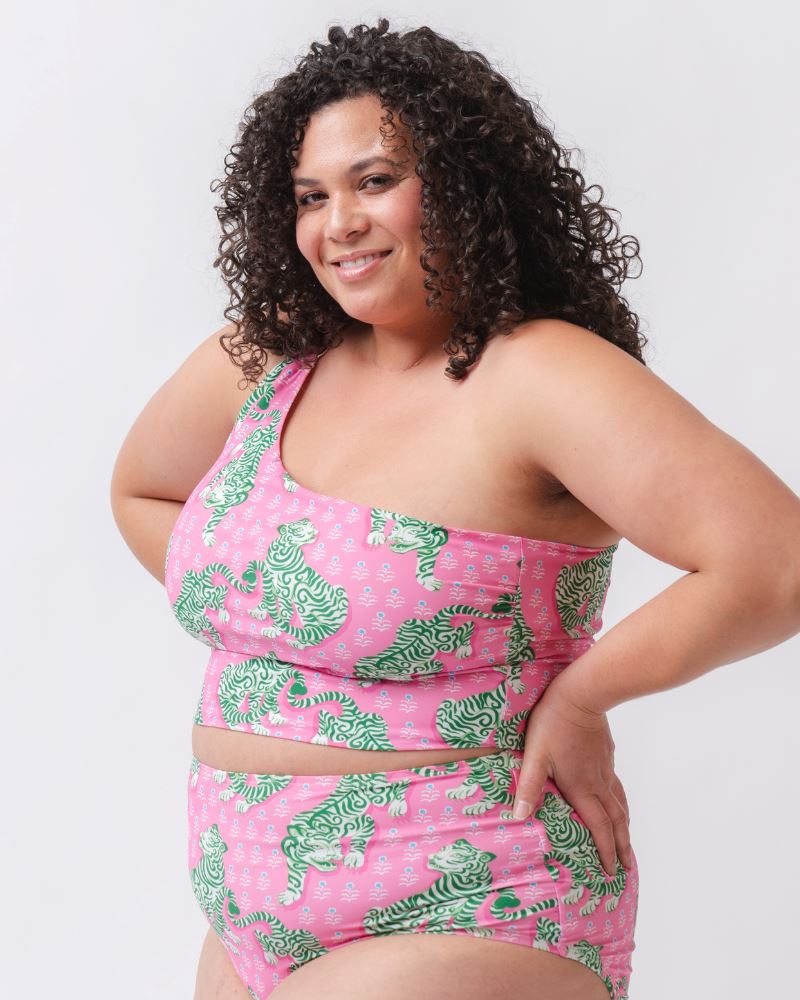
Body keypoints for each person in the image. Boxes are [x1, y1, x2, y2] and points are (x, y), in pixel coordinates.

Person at [110, 19, 800, 1000]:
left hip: (472, 891)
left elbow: (774, 560)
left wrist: (582, 694)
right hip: (244, 913)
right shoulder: (265, 360)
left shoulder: (537, 374)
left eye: (374, 180)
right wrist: (267, 612)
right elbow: (141, 488)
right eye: (311, 196)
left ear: (464, 183)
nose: (336, 222)